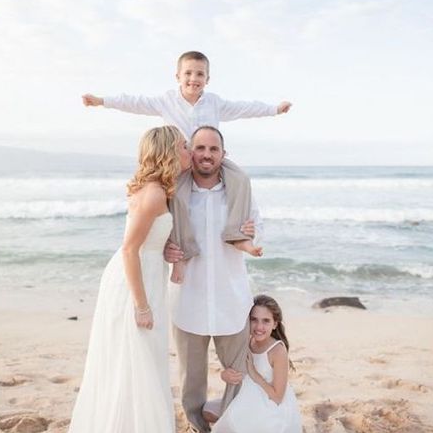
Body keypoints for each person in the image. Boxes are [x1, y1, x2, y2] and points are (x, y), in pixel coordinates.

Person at [51, 125, 191, 433]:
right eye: (182, 145)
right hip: (134, 286)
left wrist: (165, 251)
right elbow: (130, 250)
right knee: (137, 361)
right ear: (167, 152)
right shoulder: (154, 194)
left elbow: (146, 244)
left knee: (139, 362)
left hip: (145, 276)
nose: (188, 149)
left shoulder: (160, 191)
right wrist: (142, 305)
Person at [81, 51, 291, 283]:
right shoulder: (166, 100)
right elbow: (134, 102)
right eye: (188, 73)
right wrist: (102, 101)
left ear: (208, 79)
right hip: (180, 163)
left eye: (200, 74)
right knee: (177, 202)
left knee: (240, 178)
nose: (194, 78)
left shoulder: (215, 103)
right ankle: (181, 257)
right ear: (177, 76)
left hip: (209, 156)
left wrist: (274, 109)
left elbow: (244, 108)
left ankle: (237, 235)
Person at [164, 126, 262, 433]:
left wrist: (251, 237)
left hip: (230, 294)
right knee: (191, 374)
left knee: (237, 369)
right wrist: (166, 249)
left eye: (214, 149)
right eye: (200, 148)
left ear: (223, 154)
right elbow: (157, 230)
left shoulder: (238, 190)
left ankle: (230, 425)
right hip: (187, 295)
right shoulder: (175, 191)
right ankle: (197, 427)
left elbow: (255, 227)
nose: (207, 155)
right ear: (190, 151)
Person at [205, 295, 316, 433]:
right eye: (254, 320)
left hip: (271, 406)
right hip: (248, 399)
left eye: (266, 321)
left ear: (275, 324)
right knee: (206, 410)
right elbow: (236, 372)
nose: (259, 327)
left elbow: (278, 396)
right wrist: (224, 374)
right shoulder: (247, 341)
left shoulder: (277, 350)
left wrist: (255, 374)